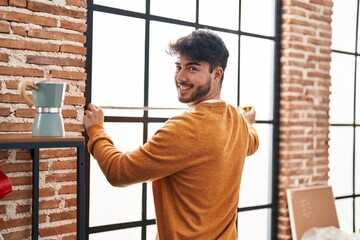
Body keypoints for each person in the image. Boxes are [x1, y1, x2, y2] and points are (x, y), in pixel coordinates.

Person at [84, 29, 259, 239]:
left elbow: (118, 171)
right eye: (178, 67)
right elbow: (252, 142)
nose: (180, 77)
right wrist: (248, 122)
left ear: (217, 74)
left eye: (192, 68)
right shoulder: (237, 121)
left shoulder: (185, 128)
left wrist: (96, 130)